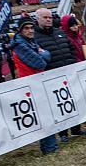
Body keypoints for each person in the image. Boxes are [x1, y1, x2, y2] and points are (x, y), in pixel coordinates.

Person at [35, 8, 86, 145]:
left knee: (73, 101)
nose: (48, 19)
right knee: (60, 105)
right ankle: (63, 133)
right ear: (38, 19)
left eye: (49, 17)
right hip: (52, 75)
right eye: (45, 17)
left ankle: (76, 128)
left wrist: (72, 62)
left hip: (68, 72)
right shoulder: (35, 37)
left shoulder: (59, 32)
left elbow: (70, 49)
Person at [11, 17, 54, 153]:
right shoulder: (19, 45)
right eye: (26, 28)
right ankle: (49, 147)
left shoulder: (31, 42)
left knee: (46, 114)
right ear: (20, 30)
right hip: (29, 84)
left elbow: (48, 56)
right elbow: (40, 63)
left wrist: (43, 54)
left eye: (31, 28)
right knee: (43, 115)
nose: (30, 31)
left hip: (37, 81)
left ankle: (49, 146)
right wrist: (42, 54)